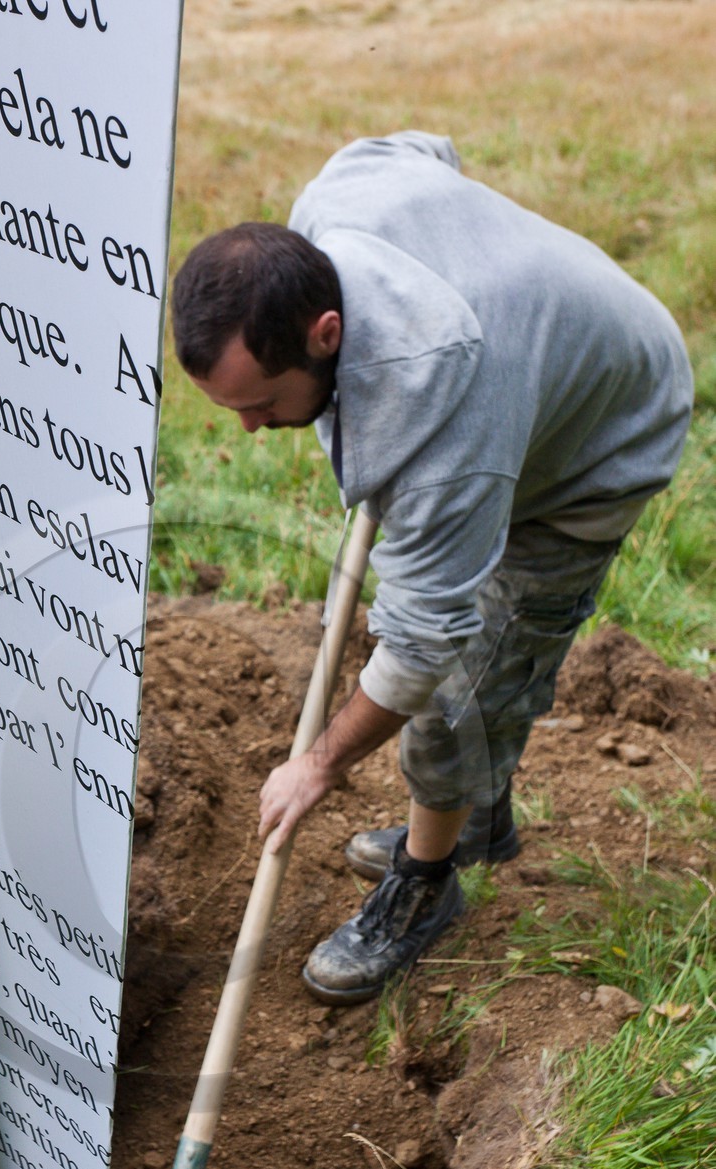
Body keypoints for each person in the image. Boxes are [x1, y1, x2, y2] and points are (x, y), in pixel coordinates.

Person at [171, 131, 693, 1004]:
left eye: (260, 403)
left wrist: (318, 765)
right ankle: (476, 818)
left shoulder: (450, 438)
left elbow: (420, 646)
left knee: (462, 697)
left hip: (602, 440)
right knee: (449, 660)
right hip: (536, 362)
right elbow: (419, 147)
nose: (249, 430)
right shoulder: (340, 201)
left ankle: (428, 880)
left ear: (325, 330)